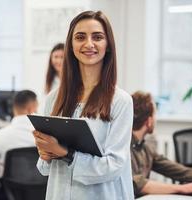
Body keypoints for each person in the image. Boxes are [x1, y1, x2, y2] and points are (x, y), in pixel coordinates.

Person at [33, 11, 134, 200]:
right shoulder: (54, 98)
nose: (89, 44)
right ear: (71, 46)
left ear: (108, 45)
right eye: (80, 37)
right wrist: (45, 152)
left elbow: (113, 166)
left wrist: (64, 153)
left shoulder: (121, 101)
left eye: (97, 37)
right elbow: (45, 169)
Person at [131, 91, 192, 198]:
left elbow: (180, 171)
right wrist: (183, 188)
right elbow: (136, 183)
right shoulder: (123, 146)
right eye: (155, 114)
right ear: (149, 121)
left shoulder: (145, 148)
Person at [0, 90, 38, 200]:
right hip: (42, 193)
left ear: (14, 108)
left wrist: (4, 171)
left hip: (9, 194)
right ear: (32, 108)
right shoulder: (45, 136)